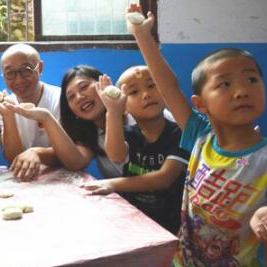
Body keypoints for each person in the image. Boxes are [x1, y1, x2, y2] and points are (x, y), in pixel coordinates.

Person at [128, 4, 267, 267]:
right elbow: (169, 86)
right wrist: (142, 35)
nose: (242, 91)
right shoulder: (199, 134)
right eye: (224, 84)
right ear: (200, 105)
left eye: (252, 79)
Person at [80, 65, 189, 234]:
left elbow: (163, 179)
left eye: (152, 86)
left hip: (171, 224)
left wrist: (112, 184)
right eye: (134, 92)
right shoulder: (129, 134)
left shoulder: (180, 133)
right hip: (135, 218)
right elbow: (116, 155)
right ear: (125, 106)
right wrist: (113, 112)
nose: (146, 94)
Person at [0, 44, 61, 181]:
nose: (18, 80)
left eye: (26, 70)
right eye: (10, 73)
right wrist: (8, 116)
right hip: (22, 179)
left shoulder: (61, 99)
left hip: (61, 177)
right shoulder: (1, 108)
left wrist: (38, 153)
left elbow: (71, 153)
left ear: (40, 68)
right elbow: (13, 157)